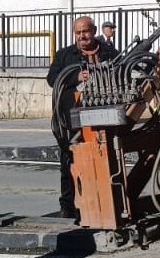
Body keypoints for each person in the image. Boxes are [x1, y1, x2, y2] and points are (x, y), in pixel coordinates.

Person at [46, 16, 119, 219]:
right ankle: (68, 205)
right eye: (78, 33)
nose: (82, 36)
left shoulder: (109, 53)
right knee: (69, 162)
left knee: (105, 161)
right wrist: (75, 77)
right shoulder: (64, 55)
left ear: (94, 30)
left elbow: (122, 72)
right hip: (71, 119)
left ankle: (104, 204)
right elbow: (52, 79)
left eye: (85, 32)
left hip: (102, 119)